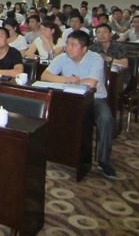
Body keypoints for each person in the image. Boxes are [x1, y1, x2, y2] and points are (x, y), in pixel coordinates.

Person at [42, 30, 117, 179]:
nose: (68, 48)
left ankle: (103, 160)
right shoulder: (62, 57)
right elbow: (45, 75)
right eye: (68, 44)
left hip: (94, 99)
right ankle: (56, 153)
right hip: (69, 98)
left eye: (73, 45)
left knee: (106, 118)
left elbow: (91, 83)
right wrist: (68, 80)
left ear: (84, 49)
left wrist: (70, 81)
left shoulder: (95, 59)